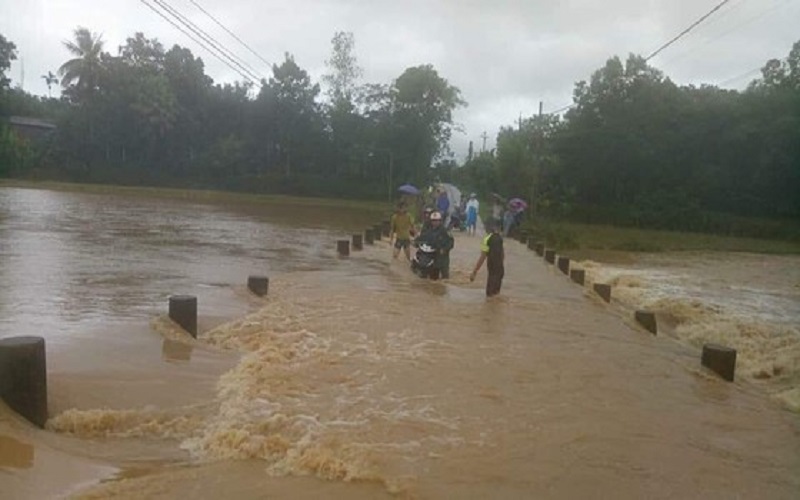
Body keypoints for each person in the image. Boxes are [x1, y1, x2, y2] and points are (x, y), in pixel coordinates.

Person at [470, 219, 505, 297]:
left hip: (492, 272)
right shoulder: (500, 238)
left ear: (488, 227)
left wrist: (474, 272)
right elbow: (502, 255)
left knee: (489, 296)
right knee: (496, 295)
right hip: (500, 271)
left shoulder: (487, 239)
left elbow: (482, 257)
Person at [416, 210, 453, 280]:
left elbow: (451, 243)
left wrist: (444, 249)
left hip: (443, 258)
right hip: (433, 258)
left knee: (445, 278)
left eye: (437, 221)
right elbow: (422, 238)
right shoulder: (429, 231)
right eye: (433, 221)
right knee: (433, 279)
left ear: (440, 221)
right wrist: (416, 242)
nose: (435, 222)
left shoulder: (445, 231)